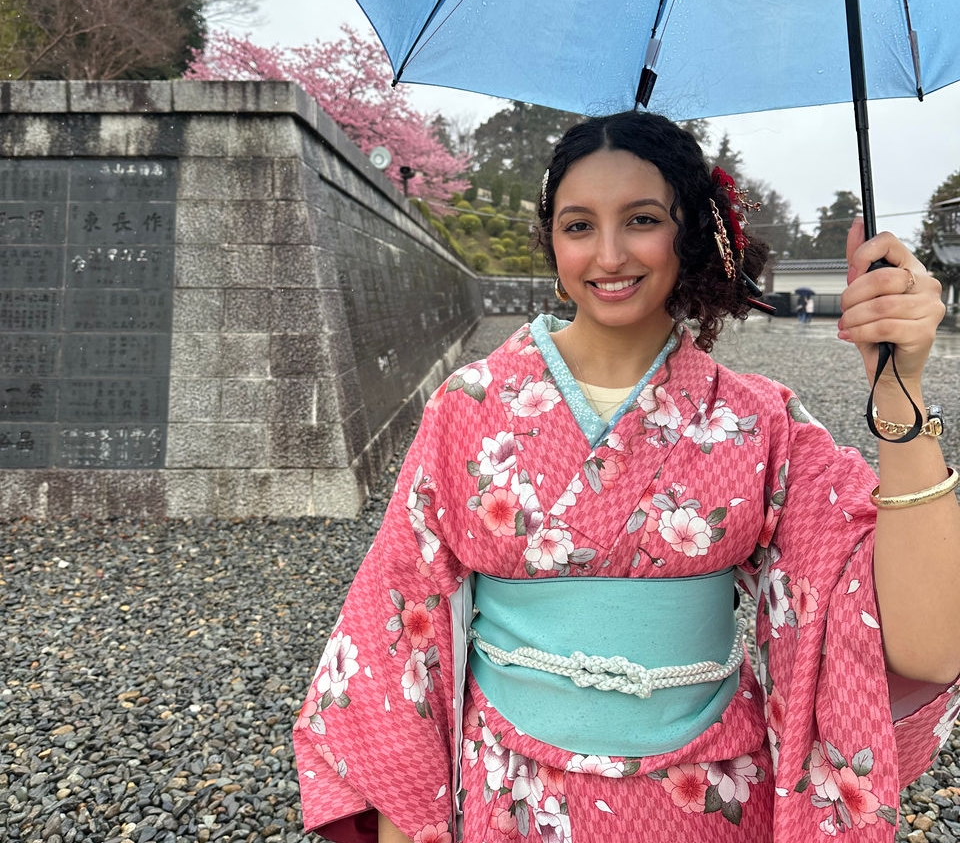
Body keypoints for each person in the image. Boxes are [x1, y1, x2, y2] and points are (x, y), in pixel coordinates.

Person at [294, 112, 960, 843]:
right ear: (551, 240)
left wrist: (900, 391)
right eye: (579, 225)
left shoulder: (760, 420)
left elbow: (926, 646)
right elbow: (399, 632)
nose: (608, 255)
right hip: (510, 792)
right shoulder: (469, 406)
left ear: (692, 231)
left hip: (707, 797)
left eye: (640, 219)